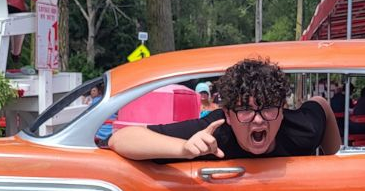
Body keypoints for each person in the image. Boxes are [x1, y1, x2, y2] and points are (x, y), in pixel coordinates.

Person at [109, 57, 341, 160]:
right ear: (228, 115)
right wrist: (184, 149)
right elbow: (122, 138)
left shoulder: (303, 129)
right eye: (245, 111)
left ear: (282, 110)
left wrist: (329, 160)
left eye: (268, 109)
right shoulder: (214, 131)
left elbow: (321, 104)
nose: (258, 120)